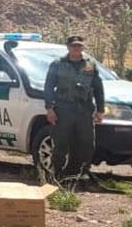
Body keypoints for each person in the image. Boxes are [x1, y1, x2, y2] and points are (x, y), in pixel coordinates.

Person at [43, 35, 104, 181]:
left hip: (84, 110)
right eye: (73, 46)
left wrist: (100, 110)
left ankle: (82, 174)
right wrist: (49, 109)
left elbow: (98, 87)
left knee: (87, 143)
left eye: (79, 46)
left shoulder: (90, 64)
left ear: (83, 47)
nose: (76, 48)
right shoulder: (57, 64)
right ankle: (57, 175)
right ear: (68, 47)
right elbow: (49, 87)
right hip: (64, 109)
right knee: (61, 143)